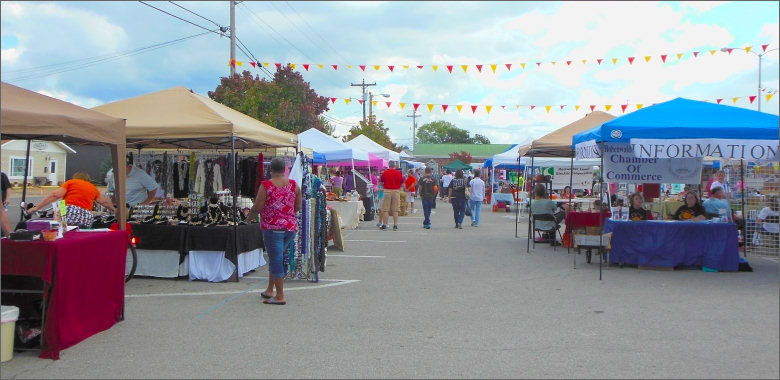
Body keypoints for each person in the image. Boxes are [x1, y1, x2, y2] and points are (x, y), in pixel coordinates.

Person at [246, 157, 301, 306]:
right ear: (284, 169)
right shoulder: (294, 185)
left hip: (272, 228)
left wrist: (250, 216)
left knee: (276, 259)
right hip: (290, 228)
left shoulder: (266, 185)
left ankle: (280, 296)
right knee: (276, 256)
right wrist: (286, 215)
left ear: (271, 170)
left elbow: (257, 206)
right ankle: (270, 289)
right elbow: (298, 206)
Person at [27, 172, 116, 228]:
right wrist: (114, 210)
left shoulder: (71, 182)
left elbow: (55, 195)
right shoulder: (92, 188)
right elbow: (104, 202)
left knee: (60, 210)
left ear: (75, 177)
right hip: (86, 216)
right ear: (87, 179)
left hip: (68, 211)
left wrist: (37, 207)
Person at [379, 161, 403, 231]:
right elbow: (402, 183)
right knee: (395, 209)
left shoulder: (385, 173)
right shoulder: (398, 173)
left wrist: (384, 186)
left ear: (389, 166)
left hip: (387, 190)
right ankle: (395, 225)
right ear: (394, 166)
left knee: (385, 209)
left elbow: (380, 182)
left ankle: (385, 224)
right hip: (396, 191)